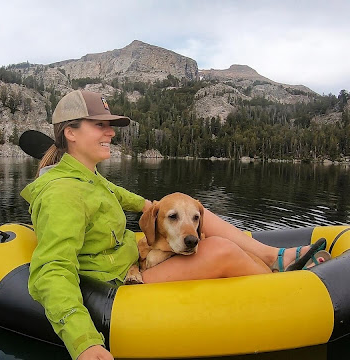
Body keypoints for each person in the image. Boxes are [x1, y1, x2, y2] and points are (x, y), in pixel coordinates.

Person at [20, 90, 323, 360]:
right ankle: (286, 290)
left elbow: (116, 194)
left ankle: (274, 256)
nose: (110, 132)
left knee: (196, 211)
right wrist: (83, 342)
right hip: (118, 287)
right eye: (100, 125)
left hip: (134, 260)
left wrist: (155, 207)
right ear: (70, 132)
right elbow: (52, 269)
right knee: (218, 250)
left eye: (109, 125)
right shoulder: (63, 193)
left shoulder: (89, 178)